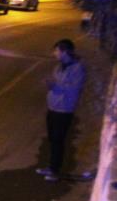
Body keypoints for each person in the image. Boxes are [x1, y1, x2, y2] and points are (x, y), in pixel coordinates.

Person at [37, 39, 86, 181]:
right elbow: (57, 82)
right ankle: (51, 167)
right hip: (53, 108)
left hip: (64, 110)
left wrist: (54, 86)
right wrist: (50, 84)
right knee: (52, 139)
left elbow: (73, 89)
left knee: (58, 140)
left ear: (64, 52)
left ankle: (55, 171)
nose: (54, 53)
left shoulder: (77, 68)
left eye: (56, 50)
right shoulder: (59, 66)